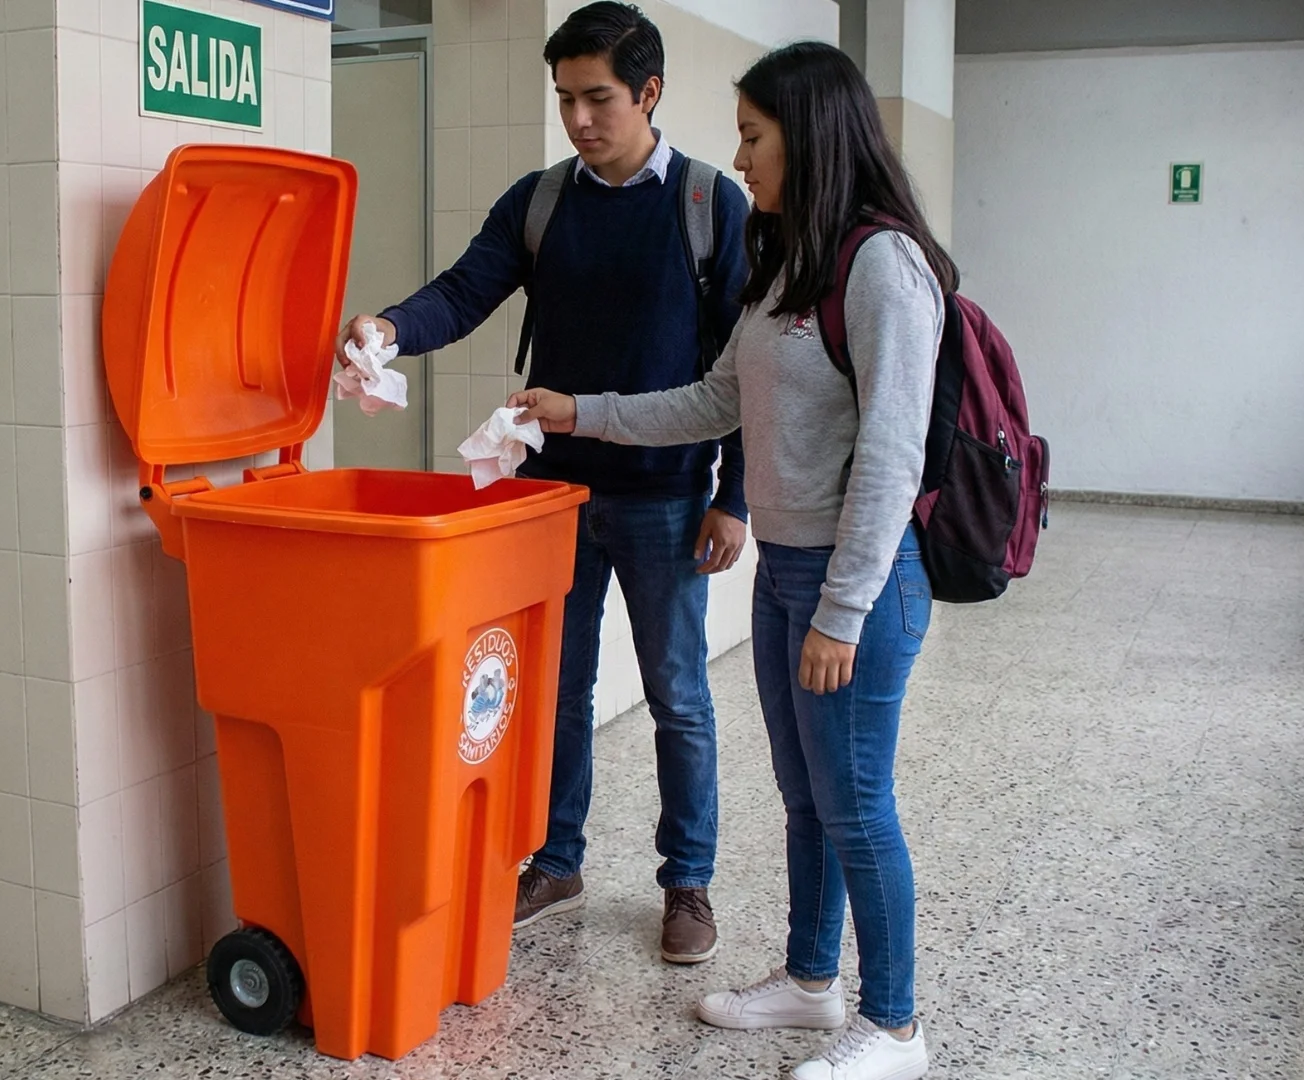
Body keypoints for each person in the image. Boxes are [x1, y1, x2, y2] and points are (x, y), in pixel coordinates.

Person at [510, 40, 951, 1080]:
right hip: (789, 575)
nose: (741, 158)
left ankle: (895, 1026)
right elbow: (715, 399)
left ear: (812, 136)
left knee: (858, 805)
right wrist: (581, 410)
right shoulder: (788, 259)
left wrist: (844, 610)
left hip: (861, 584)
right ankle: (808, 981)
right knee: (807, 801)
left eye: (755, 136)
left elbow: (891, 455)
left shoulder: (883, 264)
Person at [337, 1, 750, 965]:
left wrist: (735, 496)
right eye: (564, 99)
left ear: (649, 92)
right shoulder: (541, 201)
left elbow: (746, 368)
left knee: (677, 693)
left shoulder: (707, 205)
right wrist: (389, 329)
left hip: (666, 496)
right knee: (554, 688)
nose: (578, 119)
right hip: (550, 495)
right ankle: (556, 858)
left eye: (598, 98)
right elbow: (464, 288)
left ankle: (687, 881)